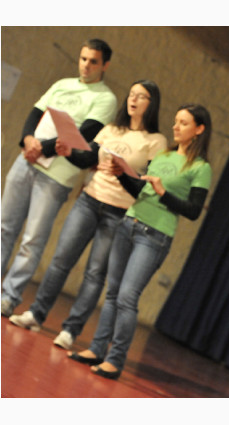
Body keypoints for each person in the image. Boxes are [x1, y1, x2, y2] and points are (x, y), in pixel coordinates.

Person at [8, 80, 168, 351]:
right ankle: (36, 314)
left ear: (151, 104)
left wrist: (124, 171)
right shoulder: (111, 129)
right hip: (89, 201)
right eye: (131, 94)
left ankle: (71, 330)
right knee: (60, 260)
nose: (134, 100)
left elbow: (145, 185)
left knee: (95, 273)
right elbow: (86, 158)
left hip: (118, 211)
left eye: (141, 97)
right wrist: (69, 151)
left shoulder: (156, 141)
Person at [67, 104, 213, 379]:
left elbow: (193, 211)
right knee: (112, 293)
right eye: (175, 121)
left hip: (155, 235)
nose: (175, 126)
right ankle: (97, 348)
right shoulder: (164, 154)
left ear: (199, 129)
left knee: (127, 297)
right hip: (129, 223)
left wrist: (163, 192)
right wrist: (122, 172)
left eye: (183, 123)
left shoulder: (201, 167)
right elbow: (139, 188)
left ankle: (116, 360)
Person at [1, 39, 117, 317]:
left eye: (93, 61)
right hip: (26, 161)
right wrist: (28, 139)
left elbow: (85, 133)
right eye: (83, 58)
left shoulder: (105, 98)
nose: (86, 65)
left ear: (105, 65)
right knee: (4, 227)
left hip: (55, 175)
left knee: (32, 239)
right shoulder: (62, 84)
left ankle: (9, 296)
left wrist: (43, 147)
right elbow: (35, 113)